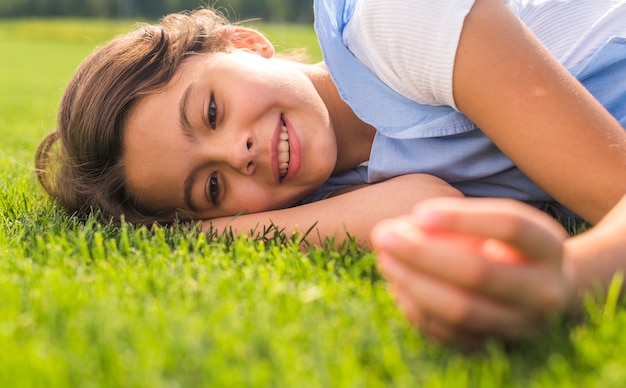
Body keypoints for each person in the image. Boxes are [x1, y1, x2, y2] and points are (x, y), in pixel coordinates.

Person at [35, 0, 626, 343]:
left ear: (244, 43)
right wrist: (198, 235)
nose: (238, 154)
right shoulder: (332, 185)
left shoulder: (394, 22)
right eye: (213, 187)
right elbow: (422, 204)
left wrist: (571, 279)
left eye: (211, 111)